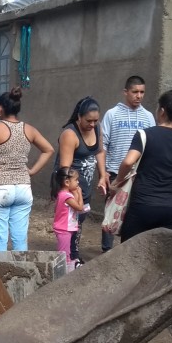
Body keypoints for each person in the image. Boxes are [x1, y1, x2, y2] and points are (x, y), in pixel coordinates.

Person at [0, 87, 54, 251]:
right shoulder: (29, 129)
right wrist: (32, 171)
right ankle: (21, 274)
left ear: (0, 109)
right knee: (20, 240)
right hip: (23, 188)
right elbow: (48, 149)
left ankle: (2, 275)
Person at [110, 87, 172, 242]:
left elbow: (129, 161)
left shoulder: (145, 135)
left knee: (131, 251)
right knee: (161, 253)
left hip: (144, 204)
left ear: (162, 111)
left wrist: (117, 181)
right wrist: (169, 179)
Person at [101, 76, 156, 252]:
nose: (139, 96)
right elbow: (102, 145)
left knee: (134, 213)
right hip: (116, 172)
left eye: (142, 92)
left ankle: (128, 249)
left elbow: (153, 145)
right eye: (135, 92)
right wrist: (103, 173)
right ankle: (107, 250)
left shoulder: (148, 117)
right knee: (112, 211)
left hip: (139, 173)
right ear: (126, 92)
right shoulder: (112, 114)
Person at [55, 97, 109, 265]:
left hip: (83, 183)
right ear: (79, 117)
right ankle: (69, 257)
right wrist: (74, 192)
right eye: (88, 121)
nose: (92, 124)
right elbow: (65, 170)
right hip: (71, 184)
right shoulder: (70, 134)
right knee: (70, 220)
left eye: (95, 120)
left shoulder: (97, 128)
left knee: (80, 219)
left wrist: (102, 175)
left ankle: (73, 254)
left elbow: (99, 151)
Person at [51, 167, 86, 271]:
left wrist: (75, 192)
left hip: (67, 228)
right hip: (64, 229)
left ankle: (67, 269)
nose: (78, 182)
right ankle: (61, 272)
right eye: (76, 180)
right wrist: (79, 192)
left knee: (67, 252)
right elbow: (80, 207)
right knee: (63, 253)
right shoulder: (66, 196)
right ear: (67, 182)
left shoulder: (66, 194)